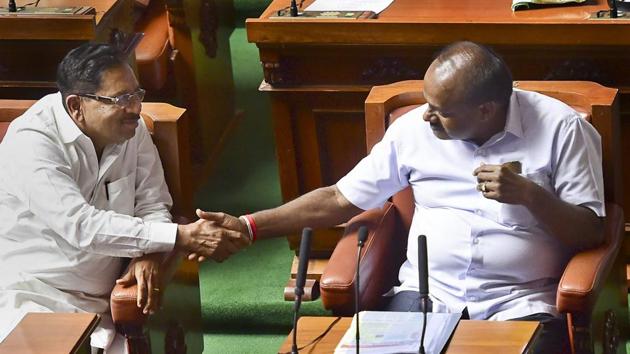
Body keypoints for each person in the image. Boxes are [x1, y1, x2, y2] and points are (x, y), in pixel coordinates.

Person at [194, 41, 604, 353]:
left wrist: (531, 196)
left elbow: (590, 230)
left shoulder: (562, 130)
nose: (426, 116)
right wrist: (250, 225)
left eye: (440, 110)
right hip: (426, 295)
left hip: (520, 301)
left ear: (486, 109)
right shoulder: (413, 130)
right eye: (427, 103)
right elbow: (339, 198)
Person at [0, 43, 249, 353]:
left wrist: (148, 254)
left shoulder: (130, 129)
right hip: (33, 297)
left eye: (136, 94)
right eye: (120, 99)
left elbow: (153, 203)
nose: (135, 108)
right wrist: (179, 236)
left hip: (109, 299)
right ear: (77, 106)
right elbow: (81, 226)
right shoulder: (32, 144)